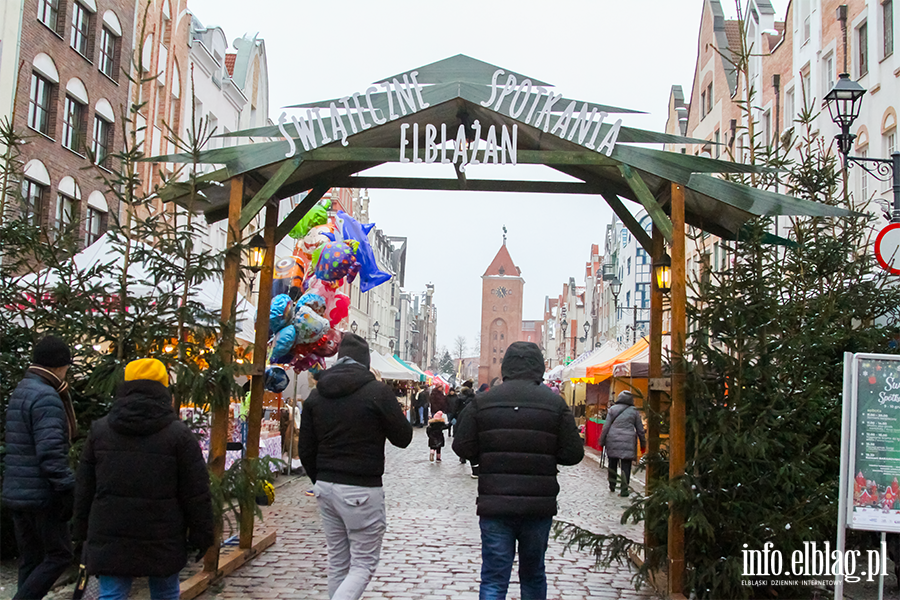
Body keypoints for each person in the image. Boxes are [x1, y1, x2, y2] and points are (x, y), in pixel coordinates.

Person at [73, 358, 214, 600]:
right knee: (166, 593)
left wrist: (79, 531)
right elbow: (196, 492)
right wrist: (202, 534)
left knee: (112, 595)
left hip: (111, 531)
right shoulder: (179, 435)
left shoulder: (100, 431)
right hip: (162, 534)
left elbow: (85, 487)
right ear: (163, 388)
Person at [453, 342, 583, 600]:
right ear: (539, 367)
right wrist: (548, 453)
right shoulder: (554, 404)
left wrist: (486, 454)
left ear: (506, 366)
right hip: (538, 505)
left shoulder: (484, 401)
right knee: (534, 575)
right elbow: (573, 453)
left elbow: (462, 445)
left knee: (493, 578)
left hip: (495, 503)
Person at [298, 333, 413, 600]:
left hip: (326, 486)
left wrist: (321, 479)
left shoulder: (317, 396)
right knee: (363, 565)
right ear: (366, 362)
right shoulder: (377, 392)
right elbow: (403, 438)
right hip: (361, 488)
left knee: (338, 563)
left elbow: (306, 449)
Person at [2, 336, 76, 600]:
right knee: (60, 555)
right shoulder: (47, 397)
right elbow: (50, 451)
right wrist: (66, 487)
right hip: (41, 494)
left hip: (18, 491)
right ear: (59, 366)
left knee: (31, 558)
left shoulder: (23, 389)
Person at [599, 390, 646, 497]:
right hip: (628, 441)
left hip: (612, 439)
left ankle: (612, 485)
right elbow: (640, 429)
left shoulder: (612, 409)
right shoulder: (634, 411)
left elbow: (606, 427)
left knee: (612, 463)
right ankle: (624, 489)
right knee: (626, 466)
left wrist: (601, 441)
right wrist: (643, 444)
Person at [454, 381, 476, 462]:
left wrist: (454, 416)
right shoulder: (474, 398)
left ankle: (462, 456)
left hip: (461, 418)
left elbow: (456, 408)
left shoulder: (460, 398)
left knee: (461, 436)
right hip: (471, 419)